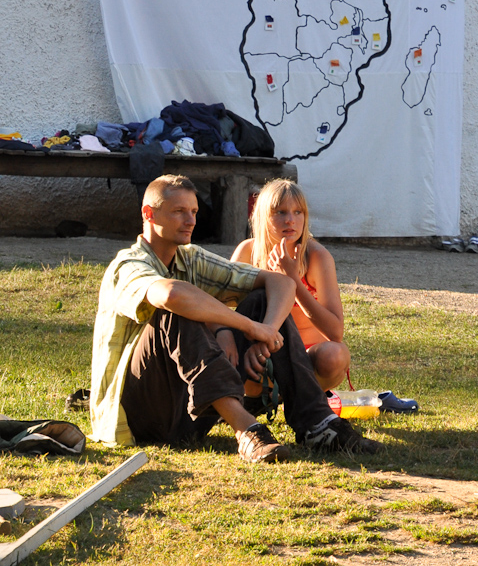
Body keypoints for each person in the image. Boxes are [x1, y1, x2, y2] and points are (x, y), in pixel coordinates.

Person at [90, 174, 381, 463]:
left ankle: (317, 425)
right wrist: (245, 326)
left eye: (194, 212)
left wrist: (264, 330)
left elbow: (280, 283)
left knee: (261, 298)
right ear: (148, 214)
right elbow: (171, 295)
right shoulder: (128, 264)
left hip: (190, 412)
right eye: (179, 211)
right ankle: (247, 430)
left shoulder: (191, 259)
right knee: (174, 312)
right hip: (139, 417)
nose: (190, 221)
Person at [231, 179, 350, 391]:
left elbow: (335, 333)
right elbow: (222, 308)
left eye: (298, 212)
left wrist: (293, 279)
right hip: (261, 354)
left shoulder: (317, 256)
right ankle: (256, 399)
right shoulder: (248, 252)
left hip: (309, 357)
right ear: (263, 217)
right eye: (280, 212)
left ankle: (309, 397)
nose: (290, 220)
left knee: (335, 355)